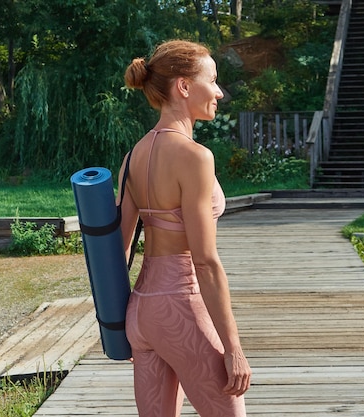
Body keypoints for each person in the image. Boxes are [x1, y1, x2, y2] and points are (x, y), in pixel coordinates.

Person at [117, 39, 251, 417]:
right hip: (181, 305)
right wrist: (234, 349)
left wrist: (123, 324)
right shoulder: (195, 158)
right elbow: (205, 262)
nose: (220, 92)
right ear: (184, 86)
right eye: (213, 80)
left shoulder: (134, 156)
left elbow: (118, 248)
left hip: (141, 314)